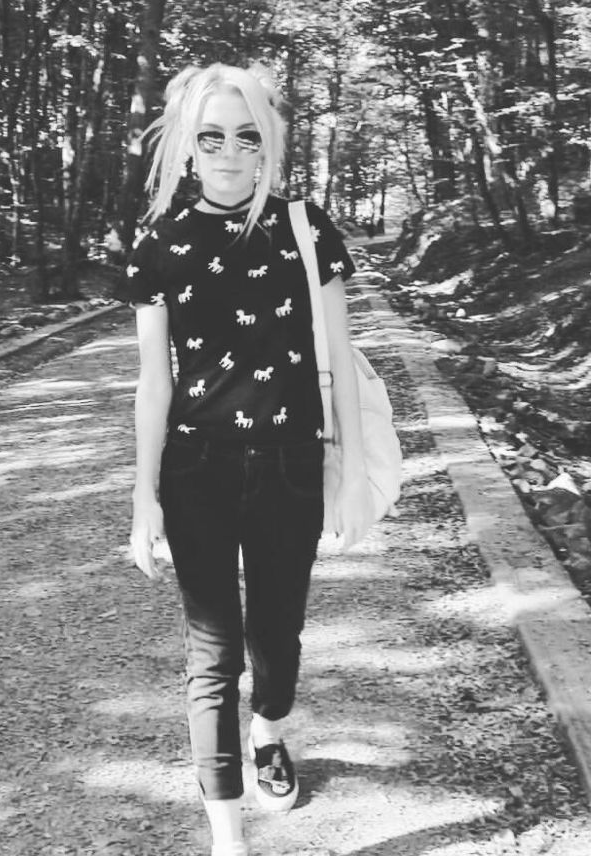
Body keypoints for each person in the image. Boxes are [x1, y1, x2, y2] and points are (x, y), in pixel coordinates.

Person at [119, 62, 373, 856]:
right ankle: (228, 839)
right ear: (186, 144)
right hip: (195, 469)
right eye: (211, 137)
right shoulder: (158, 241)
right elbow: (153, 383)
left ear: (268, 144)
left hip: (290, 465)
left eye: (246, 136)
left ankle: (269, 730)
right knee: (212, 655)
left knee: (278, 636)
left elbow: (340, 355)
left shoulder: (305, 228)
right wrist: (143, 495)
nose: (229, 153)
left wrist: (349, 470)